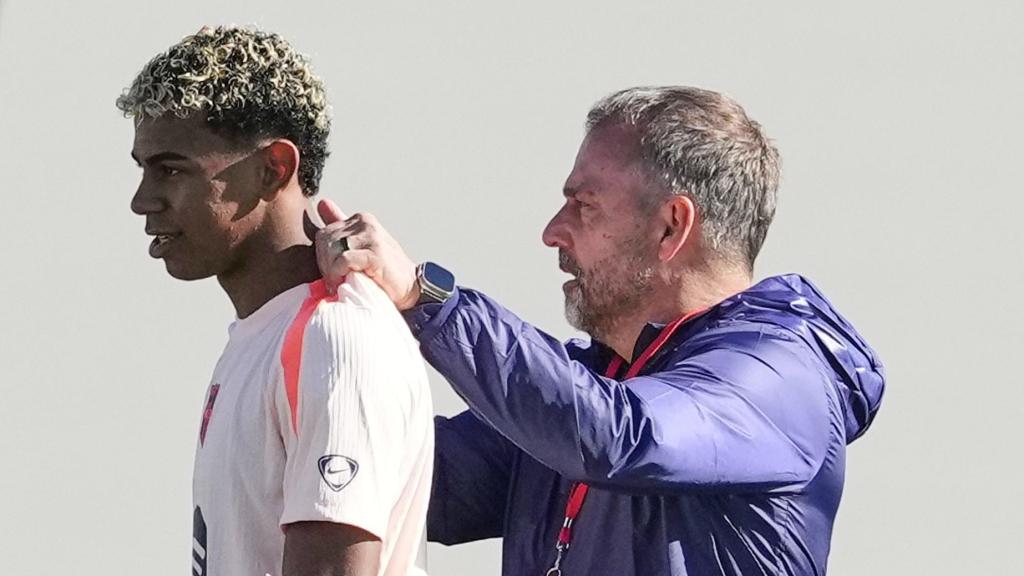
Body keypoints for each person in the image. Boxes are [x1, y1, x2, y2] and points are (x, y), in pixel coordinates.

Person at [313, 86, 886, 575]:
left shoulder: (782, 375)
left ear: (671, 225)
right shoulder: (587, 387)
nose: (552, 233)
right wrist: (293, 300)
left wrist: (425, 296)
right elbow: (406, 478)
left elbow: (623, 438)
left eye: (584, 206)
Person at [117, 26, 433, 576]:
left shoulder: (337, 337)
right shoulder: (267, 332)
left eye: (171, 170)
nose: (142, 200)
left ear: (273, 169)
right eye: (142, 169)